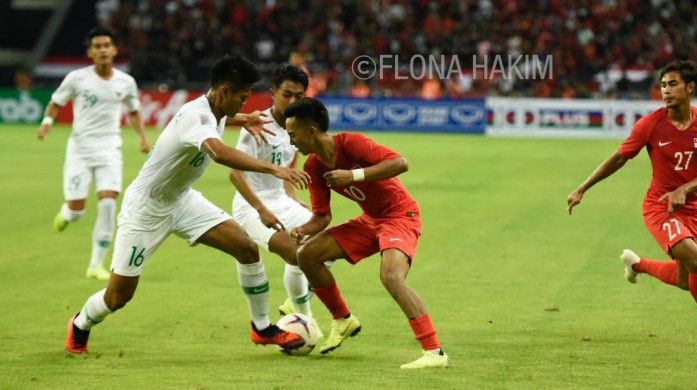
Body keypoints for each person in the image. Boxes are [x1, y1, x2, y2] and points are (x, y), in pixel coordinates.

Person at [64, 54, 312, 354]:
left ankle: (262, 328)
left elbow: (222, 118)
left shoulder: (216, 110)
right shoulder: (197, 116)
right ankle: (80, 323)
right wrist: (274, 168)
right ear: (224, 92)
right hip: (146, 210)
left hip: (183, 199)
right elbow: (219, 152)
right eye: (242, 98)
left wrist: (241, 118)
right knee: (118, 297)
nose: (245, 104)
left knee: (246, 247)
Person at [566, 60, 697, 350]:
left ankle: (637, 264)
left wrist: (684, 189)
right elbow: (620, 157)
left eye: (673, 84)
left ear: (690, 87)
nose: (666, 91)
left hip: (690, 208)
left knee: (687, 280)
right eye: (663, 85)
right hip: (659, 207)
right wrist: (583, 187)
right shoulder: (650, 124)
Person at [284, 97, 450, 369]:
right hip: (371, 220)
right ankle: (343, 318)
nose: (292, 142)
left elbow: (400, 163)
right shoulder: (313, 166)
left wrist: (354, 175)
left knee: (391, 276)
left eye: (293, 134)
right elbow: (323, 215)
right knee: (307, 254)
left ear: (311, 131)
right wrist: (303, 229)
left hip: (399, 215)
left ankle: (434, 352)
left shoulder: (350, 142)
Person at [37, 27, 151, 280]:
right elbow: (57, 102)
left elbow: (132, 110)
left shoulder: (126, 82)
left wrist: (142, 137)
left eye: (106, 45)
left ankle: (95, 264)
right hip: (80, 150)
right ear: (90, 52)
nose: (102, 50)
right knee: (77, 210)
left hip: (110, 148)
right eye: (97, 46)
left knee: (109, 203)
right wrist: (47, 121)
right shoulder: (77, 79)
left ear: (113, 50)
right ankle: (68, 213)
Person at [229, 64, 324, 332]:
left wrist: (292, 196)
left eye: (299, 96)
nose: (293, 101)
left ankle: (295, 304)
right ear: (273, 92)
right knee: (299, 255)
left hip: (280, 200)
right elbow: (236, 175)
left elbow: (288, 163)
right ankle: (306, 320)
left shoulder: (296, 127)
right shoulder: (256, 124)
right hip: (251, 204)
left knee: (329, 246)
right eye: (287, 94)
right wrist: (261, 209)